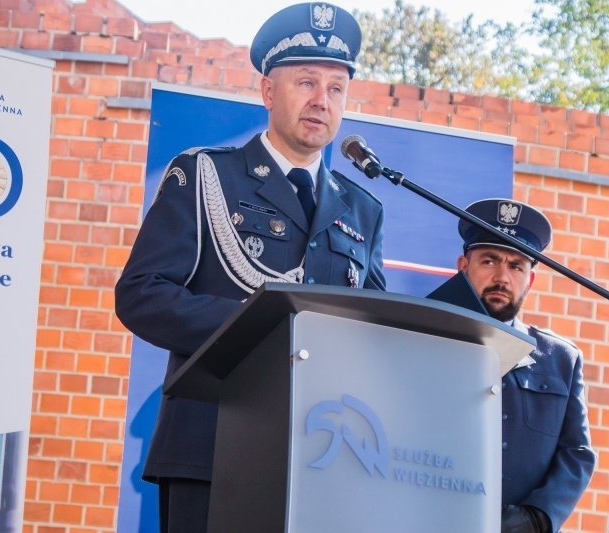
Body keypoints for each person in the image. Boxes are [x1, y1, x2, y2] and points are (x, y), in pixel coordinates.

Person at [114, 4, 384, 531]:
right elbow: (141, 293)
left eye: (336, 88)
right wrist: (260, 331)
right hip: (212, 447)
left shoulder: (362, 210)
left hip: (321, 462)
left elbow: (371, 331)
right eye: (306, 82)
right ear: (267, 91)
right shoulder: (206, 175)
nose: (322, 100)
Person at [455, 198, 596, 533]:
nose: (502, 277)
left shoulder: (560, 359)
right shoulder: (426, 337)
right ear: (463, 266)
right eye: (489, 261)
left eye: (516, 266)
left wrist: (538, 517)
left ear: (530, 280)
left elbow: (577, 452)